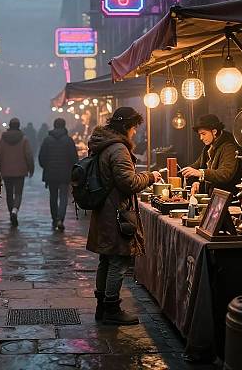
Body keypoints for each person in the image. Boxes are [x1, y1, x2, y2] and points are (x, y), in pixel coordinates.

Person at [86, 107, 161, 325]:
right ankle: (111, 308)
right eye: (135, 127)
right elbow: (128, 183)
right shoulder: (118, 149)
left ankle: (102, 306)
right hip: (115, 213)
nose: (135, 132)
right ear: (127, 127)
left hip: (104, 210)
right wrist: (150, 176)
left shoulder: (104, 145)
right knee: (118, 260)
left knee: (106, 259)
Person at [181, 114, 241, 196]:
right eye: (200, 134)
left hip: (227, 198)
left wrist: (201, 173)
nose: (201, 138)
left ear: (214, 132)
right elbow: (196, 166)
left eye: (203, 134)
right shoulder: (208, 147)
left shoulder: (229, 147)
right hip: (213, 196)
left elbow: (225, 174)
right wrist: (197, 182)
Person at [38, 118, 78, 230]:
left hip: (51, 174)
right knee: (64, 196)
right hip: (65, 173)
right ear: (64, 126)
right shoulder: (69, 140)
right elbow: (74, 158)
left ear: (54, 126)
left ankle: (55, 219)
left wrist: (45, 167)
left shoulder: (47, 140)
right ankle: (61, 219)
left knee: (53, 197)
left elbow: (41, 157)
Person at [0, 118, 34, 227]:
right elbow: (29, 156)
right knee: (18, 193)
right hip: (20, 172)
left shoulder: (3, 140)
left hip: (6, 171)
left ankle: (10, 212)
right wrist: (31, 169)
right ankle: (15, 211)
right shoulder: (24, 139)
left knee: (9, 194)